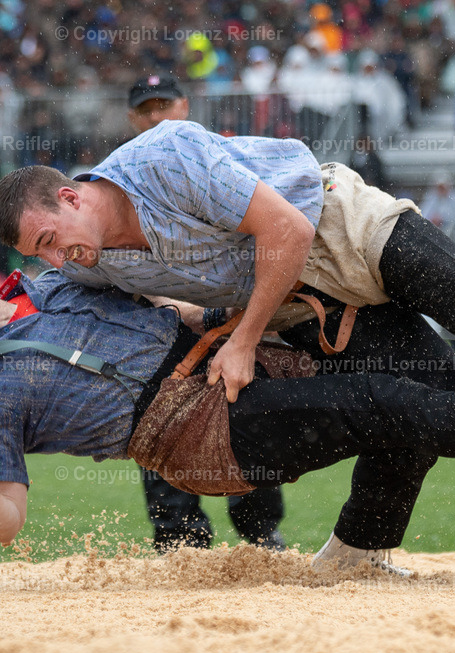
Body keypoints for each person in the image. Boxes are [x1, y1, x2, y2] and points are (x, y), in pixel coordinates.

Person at [0, 119, 455, 520]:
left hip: (334, 223)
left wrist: (246, 340)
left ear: (67, 195)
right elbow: (166, 295)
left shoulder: (162, 156)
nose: (60, 259)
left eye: (53, 240)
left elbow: (284, 231)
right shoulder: (92, 261)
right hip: (296, 294)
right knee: (437, 382)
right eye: (43, 256)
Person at [0, 268, 455, 574]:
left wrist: (237, 316)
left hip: (232, 355)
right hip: (188, 430)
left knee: (398, 354)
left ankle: (359, 553)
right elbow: (10, 521)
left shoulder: (52, 274)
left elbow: (163, 291)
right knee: (376, 404)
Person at [124, 73, 288, 551]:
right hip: (164, 326)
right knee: (163, 429)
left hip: (233, 316)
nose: (156, 115)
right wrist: (171, 305)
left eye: (164, 104)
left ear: (185, 106)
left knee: (250, 424)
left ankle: (260, 534)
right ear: (132, 118)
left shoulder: (223, 156)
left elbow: (264, 231)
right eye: (146, 107)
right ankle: (178, 543)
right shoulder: (118, 179)